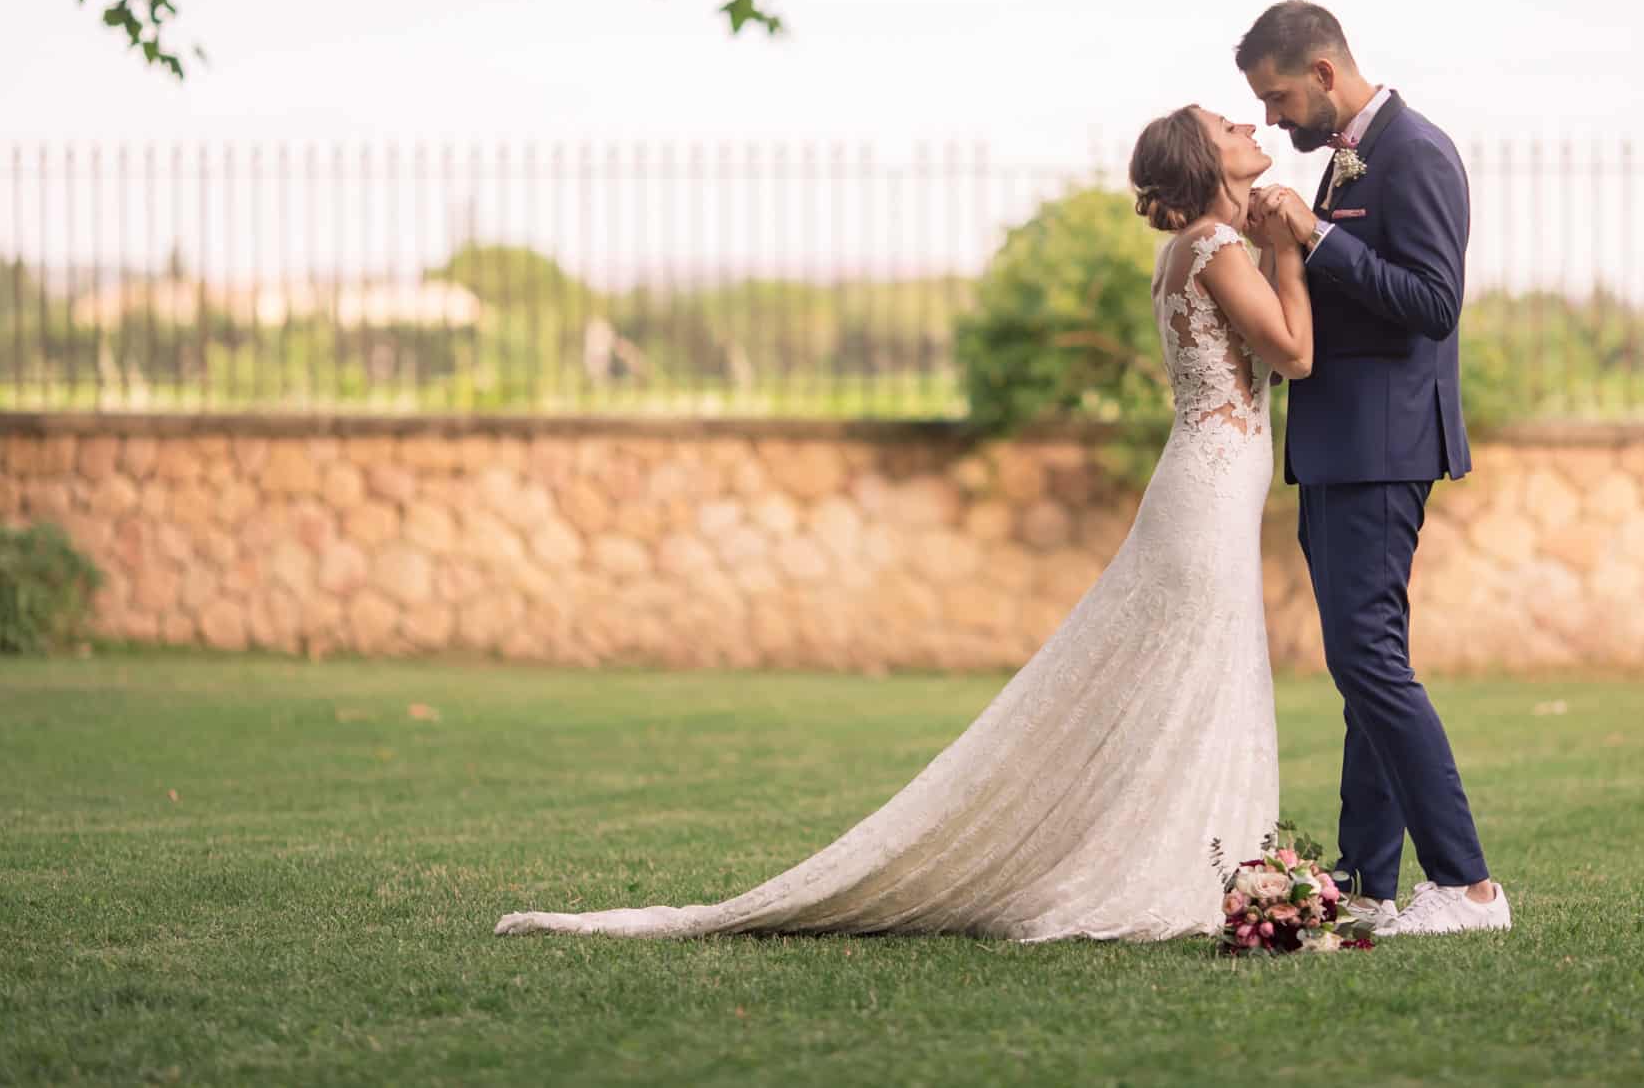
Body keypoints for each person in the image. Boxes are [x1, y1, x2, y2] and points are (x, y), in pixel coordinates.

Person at [496, 104, 1314, 942]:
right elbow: (1294, 353)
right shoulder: (1212, 247)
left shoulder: (1206, 248)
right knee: (1191, 670)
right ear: (1201, 158)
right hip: (1206, 496)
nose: (1248, 126)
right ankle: (1189, 867)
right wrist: (1288, 249)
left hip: (1209, 488)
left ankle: (1206, 859)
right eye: (1227, 126)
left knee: (1195, 674)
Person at [1236, 0, 1509, 937]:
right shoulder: (1346, 162)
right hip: (1340, 446)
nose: (1272, 119)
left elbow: (1433, 303)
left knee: (1369, 662)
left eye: (1276, 98)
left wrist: (1313, 239)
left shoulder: (1417, 152)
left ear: (1322, 73)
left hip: (1384, 447)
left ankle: (1469, 884)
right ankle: (1365, 883)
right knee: (1366, 668)